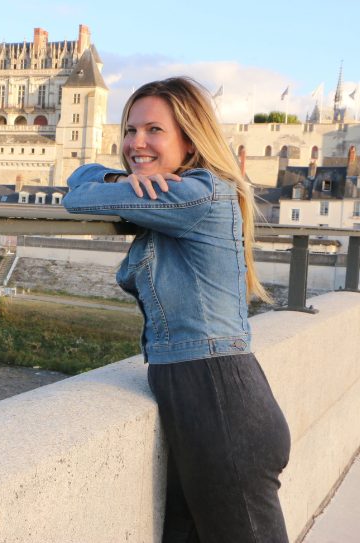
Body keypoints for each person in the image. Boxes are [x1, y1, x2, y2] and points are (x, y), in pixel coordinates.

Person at [63, 77, 291, 543]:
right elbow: (82, 175)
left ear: (190, 138)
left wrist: (115, 181)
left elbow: (75, 195)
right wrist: (119, 177)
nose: (136, 143)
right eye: (129, 130)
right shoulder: (176, 193)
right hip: (207, 398)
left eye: (153, 130)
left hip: (219, 402)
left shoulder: (192, 194)